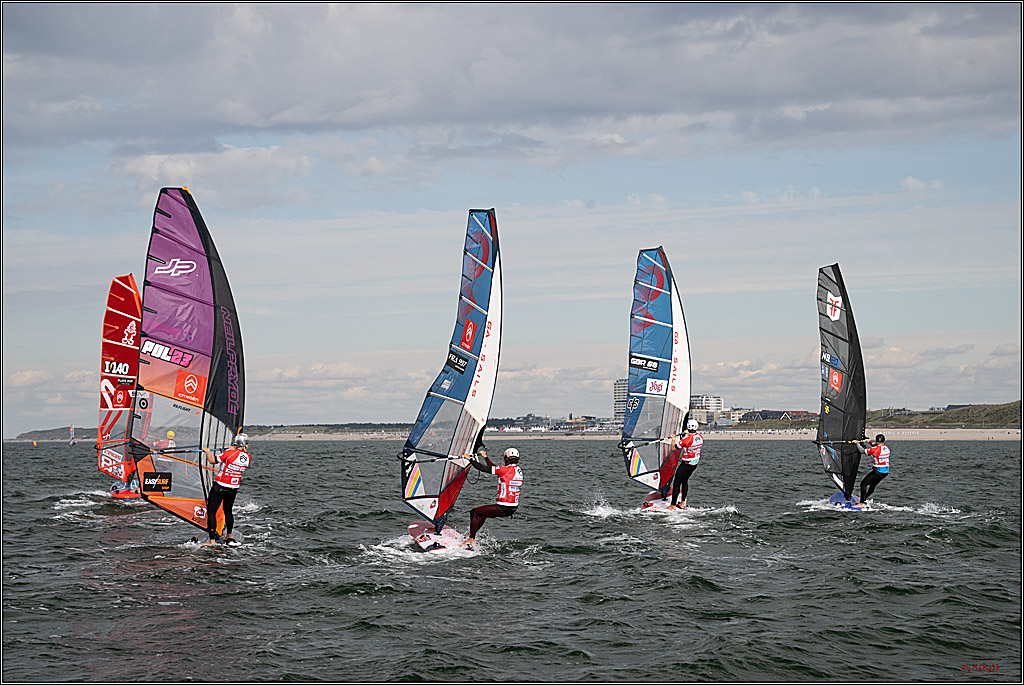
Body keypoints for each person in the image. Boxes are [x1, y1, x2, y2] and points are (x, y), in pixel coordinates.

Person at [462, 447, 523, 549]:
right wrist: (485, 457)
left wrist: (470, 459)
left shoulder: (504, 470)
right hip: (512, 508)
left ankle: (471, 539)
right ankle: (471, 535)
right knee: (483, 514)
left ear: (506, 458)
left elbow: (482, 468)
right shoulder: (517, 470)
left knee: (474, 512)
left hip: (504, 507)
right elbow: (494, 468)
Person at [201, 433, 252, 545]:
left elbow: (212, 461)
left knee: (211, 512)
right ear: (246, 445)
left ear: (235, 443)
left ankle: (212, 540)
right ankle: (229, 536)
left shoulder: (228, 453)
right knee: (228, 511)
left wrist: (208, 452)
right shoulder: (248, 458)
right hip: (233, 488)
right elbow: (237, 455)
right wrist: (233, 450)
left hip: (220, 486)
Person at [666, 419, 703, 510]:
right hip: (694, 464)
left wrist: (673, 438)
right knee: (685, 481)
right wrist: (686, 434)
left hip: (686, 464)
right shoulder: (700, 437)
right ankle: (682, 503)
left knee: (676, 483)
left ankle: (673, 505)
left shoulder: (686, 439)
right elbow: (691, 438)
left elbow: (674, 448)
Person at [856, 434, 890, 507]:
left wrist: (857, 443)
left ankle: (861, 503)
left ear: (876, 440)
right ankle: (864, 499)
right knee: (872, 486)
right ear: (884, 441)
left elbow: (862, 451)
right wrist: (869, 442)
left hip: (877, 472)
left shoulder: (874, 449)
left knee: (863, 484)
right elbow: (876, 446)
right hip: (885, 473)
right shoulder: (886, 448)